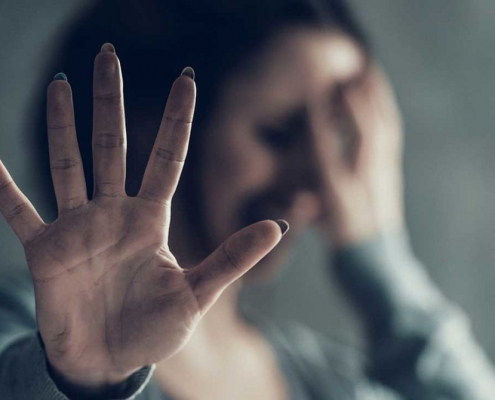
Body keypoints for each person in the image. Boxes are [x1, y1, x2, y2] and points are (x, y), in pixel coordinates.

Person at [1, 0, 495, 399]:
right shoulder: (27, 333)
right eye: (278, 134)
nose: (320, 183)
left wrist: (381, 256)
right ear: (149, 126)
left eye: (342, 146)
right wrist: (78, 381)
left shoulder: (324, 380)